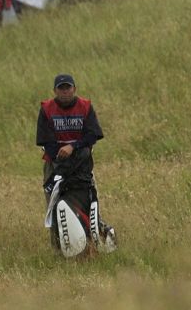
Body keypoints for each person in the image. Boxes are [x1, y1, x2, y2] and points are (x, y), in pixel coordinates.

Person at [36, 74, 116, 254]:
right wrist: (61, 156)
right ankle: (59, 248)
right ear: (55, 91)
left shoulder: (85, 107)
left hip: (83, 164)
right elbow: (44, 141)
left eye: (68, 88)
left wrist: (73, 147)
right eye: (61, 88)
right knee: (54, 204)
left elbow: (93, 135)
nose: (65, 92)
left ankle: (95, 239)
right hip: (55, 165)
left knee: (89, 199)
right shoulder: (47, 109)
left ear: (74, 89)